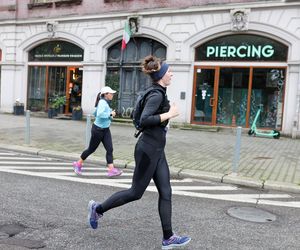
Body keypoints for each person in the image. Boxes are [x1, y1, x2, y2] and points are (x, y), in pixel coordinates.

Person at [87, 55, 191, 249]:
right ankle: (97, 209)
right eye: (169, 71)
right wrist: (169, 114)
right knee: (136, 192)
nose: (172, 73)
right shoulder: (156, 94)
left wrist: (166, 118)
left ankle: (168, 237)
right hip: (147, 150)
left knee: (166, 192)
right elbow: (143, 119)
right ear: (161, 75)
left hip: (157, 150)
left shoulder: (157, 90)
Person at [72, 86, 123, 177]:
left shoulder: (104, 102)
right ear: (106, 94)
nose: (112, 95)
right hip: (98, 130)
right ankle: (78, 164)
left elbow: (95, 113)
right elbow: (99, 114)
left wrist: (110, 115)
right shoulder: (102, 102)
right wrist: (110, 113)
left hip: (105, 129)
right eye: (111, 93)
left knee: (109, 149)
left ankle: (111, 170)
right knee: (91, 149)